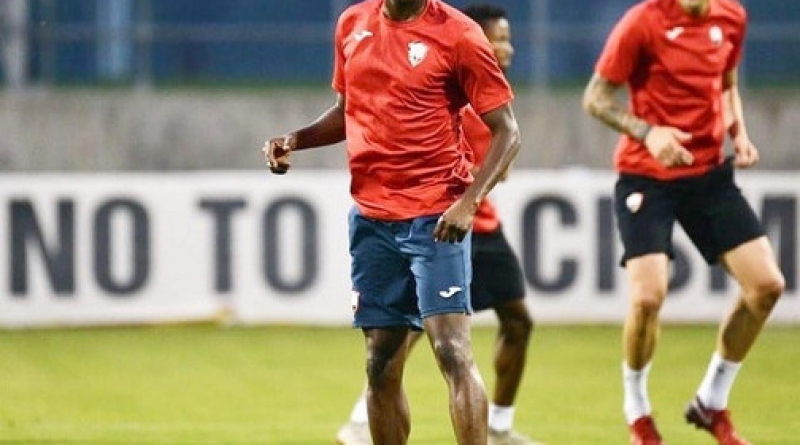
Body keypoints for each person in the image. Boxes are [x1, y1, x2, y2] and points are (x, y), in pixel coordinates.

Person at [263, 1, 522, 444]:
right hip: (373, 220)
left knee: (452, 350)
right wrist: (296, 139)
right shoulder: (352, 23)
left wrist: (468, 202)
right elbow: (348, 109)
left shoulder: (459, 34)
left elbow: (508, 131)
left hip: (434, 216)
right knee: (379, 362)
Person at [335, 4, 542, 445]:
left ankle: (499, 427)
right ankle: (359, 420)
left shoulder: (470, 74)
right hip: (415, 220)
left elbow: (506, 143)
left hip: (460, 222)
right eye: (498, 39)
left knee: (470, 338)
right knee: (392, 350)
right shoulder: (369, 33)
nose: (506, 48)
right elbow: (350, 111)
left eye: (507, 40)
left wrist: (468, 198)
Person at [582, 0, 785, 444]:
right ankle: (637, 410)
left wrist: (739, 134)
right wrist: (648, 132)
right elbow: (595, 98)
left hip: (708, 175)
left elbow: (727, 84)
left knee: (766, 286)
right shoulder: (643, 21)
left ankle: (712, 402)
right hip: (646, 175)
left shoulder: (731, 16)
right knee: (648, 296)